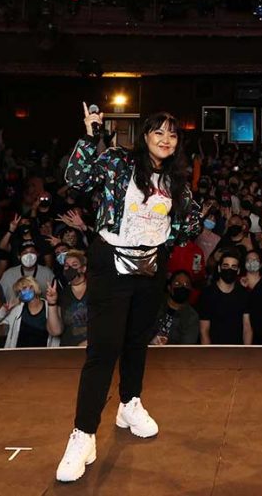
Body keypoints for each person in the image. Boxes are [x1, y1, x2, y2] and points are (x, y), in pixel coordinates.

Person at [56, 109, 202, 483]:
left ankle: (129, 403)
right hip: (111, 266)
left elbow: (188, 222)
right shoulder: (118, 161)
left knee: (137, 341)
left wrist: (163, 242)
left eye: (173, 134)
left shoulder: (177, 179)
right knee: (103, 349)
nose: (166, 139)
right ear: (145, 135)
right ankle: (83, 434)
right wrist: (90, 138)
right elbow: (75, 177)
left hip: (151, 269)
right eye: (159, 132)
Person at [0, 276, 62, 348]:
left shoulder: (52, 308)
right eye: (19, 291)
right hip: (19, 357)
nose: (22, 292)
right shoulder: (16, 310)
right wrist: (4, 310)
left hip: (44, 357)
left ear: (33, 287)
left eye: (24, 288)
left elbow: (56, 332)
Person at [197, 250, 252, 345]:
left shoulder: (243, 294)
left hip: (237, 351)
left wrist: (247, 352)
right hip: (214, 351)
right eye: (225, 266)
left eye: (233, 267)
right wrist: (208, 355)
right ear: (219, 268)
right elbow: (204, 331)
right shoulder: (207, 294)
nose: (229, 269)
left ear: (238, 271)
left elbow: (247, 327)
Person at [51, 249, 90, 347]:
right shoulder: (62, 294)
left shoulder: (96, 290)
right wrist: (51, 303)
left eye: (74, 265)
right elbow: (55, 331)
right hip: (69, 351)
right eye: (66, 266)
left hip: (95, 350)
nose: (69, 269)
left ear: (83, 268)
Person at [151, 270, 199, 345]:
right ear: (169, 288)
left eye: (186, 284)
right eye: (177, 284)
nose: (182, 287)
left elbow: (186, 348)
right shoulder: (155, 306)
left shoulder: (192, 316)